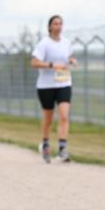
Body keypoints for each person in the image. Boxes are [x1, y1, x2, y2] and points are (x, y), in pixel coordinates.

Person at [31, 15, 76, 163]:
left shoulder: (66, 43)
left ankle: (62, 149)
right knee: (48, 118)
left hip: (63, 83)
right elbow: (34, 62)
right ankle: (45, 144)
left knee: (63, 116)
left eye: (61, 23)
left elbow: (68, 57)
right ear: (50, 27)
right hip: (46, 85)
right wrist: (51, 65)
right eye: (56, 24)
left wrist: (71, 61)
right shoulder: (44, 43)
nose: (59, 26)